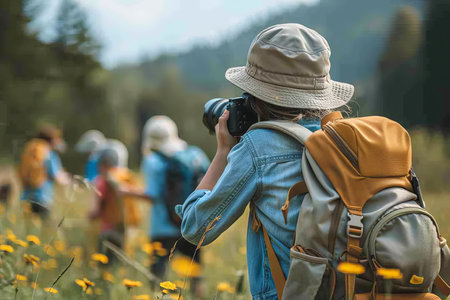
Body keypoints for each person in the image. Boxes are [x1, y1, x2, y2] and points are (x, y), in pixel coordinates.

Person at [176, 23, 354, 299]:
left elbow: (195, 228)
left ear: (257, 95)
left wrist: (223, 153)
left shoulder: (258, 148)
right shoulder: (347, 140)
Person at [141, 116, 210, 292]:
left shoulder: (152, 161)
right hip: (192, 226)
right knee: (195, 277)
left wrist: (125, 191)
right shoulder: (196, 155)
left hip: (162, 228)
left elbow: (153, 194)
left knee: (157, 280)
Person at [89, 141, 148, 261]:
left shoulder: (102, 180)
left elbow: (95, 211)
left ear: (103, 162)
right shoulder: (128, 176)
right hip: (126, 230)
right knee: (120, 266)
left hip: (108, 231)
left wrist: (90, 217)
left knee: (104, 267)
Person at [19, 125, 71, 218]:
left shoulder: (31, 151)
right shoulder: (50, 154)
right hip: (42, 198)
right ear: (52, 140)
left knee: (28, 230)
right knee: (45, 229)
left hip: (26, 198)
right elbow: (58, 177)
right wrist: (70, 180)